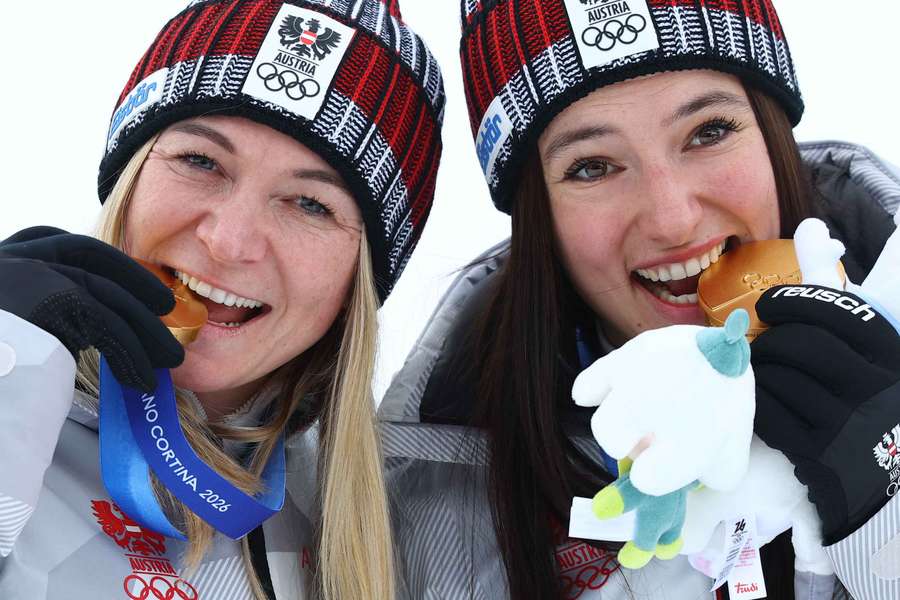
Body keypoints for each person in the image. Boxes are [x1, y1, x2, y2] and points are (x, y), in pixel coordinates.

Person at [379, 0, 900, 598]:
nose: (673, 219)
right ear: (538, 216)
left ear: (772, 132)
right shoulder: (437, 484)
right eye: (593, 166)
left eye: (709, 131)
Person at [0, 0, 445, 598]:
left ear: (357, 285)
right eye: (200, 161)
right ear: (130, 179)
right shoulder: (18, 408)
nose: (229, 242)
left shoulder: (408, 531)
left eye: (311, 203)